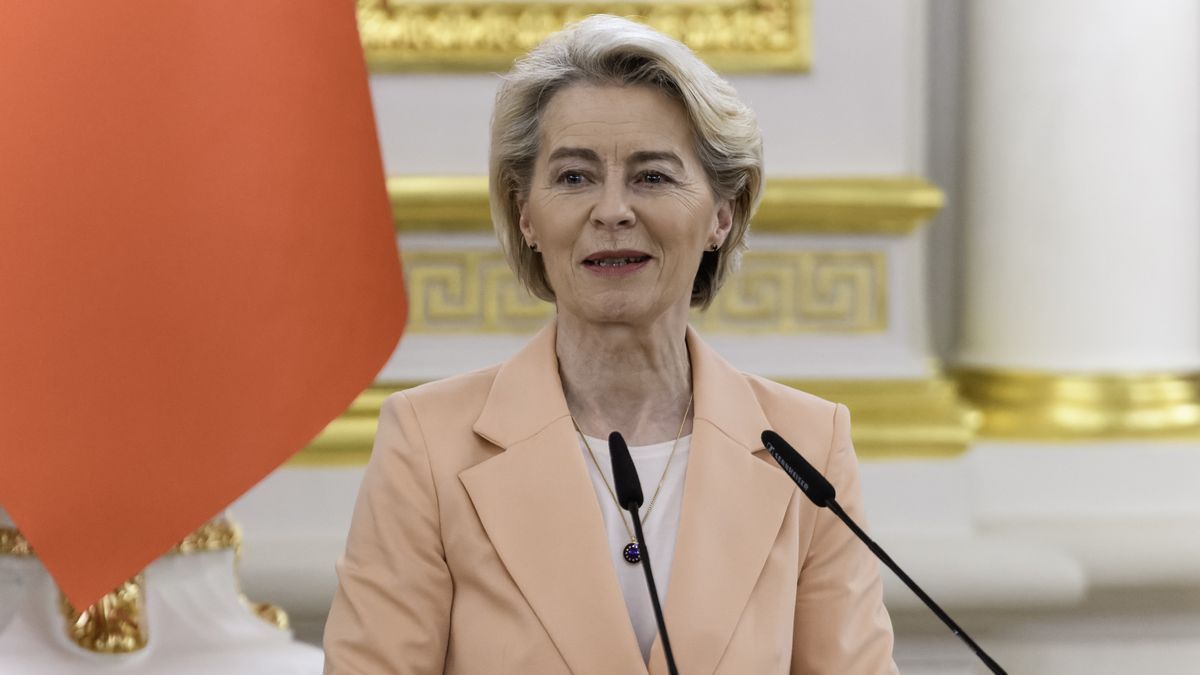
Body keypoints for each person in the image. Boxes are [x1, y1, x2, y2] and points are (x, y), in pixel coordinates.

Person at [323, 14, 897, 675]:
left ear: (721, 213)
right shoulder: (425, 445)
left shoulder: (808, 448)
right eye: (574, 177)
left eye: (652, 176)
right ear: (526, 215)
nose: (612, 210)